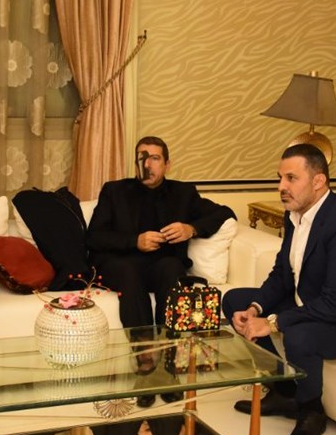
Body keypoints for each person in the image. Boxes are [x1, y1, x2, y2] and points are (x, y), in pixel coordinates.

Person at [224, 143, 336, 435]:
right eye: (280, 178)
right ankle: (283, 391)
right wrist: (255, 309)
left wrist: (272, 323)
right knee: (234, 301)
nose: (281, 186)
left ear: (318, 181)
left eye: (291, 178)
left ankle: (311, 411)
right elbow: (282, 275)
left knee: (299, 334)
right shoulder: (296, 215)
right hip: (314, 302)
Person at [87, 136, 235, 407]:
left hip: (161, 265)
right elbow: (94, 237)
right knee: (129, 272)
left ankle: (169, 362)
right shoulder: (115, 191)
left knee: (172, 268)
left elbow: (224, 213)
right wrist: (135, 241)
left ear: (167, 164)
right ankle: (145, 363)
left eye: (154, 158)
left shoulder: (183, 193)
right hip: (122, 264)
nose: (147, 164)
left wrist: (191, 229)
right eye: (142, 158)